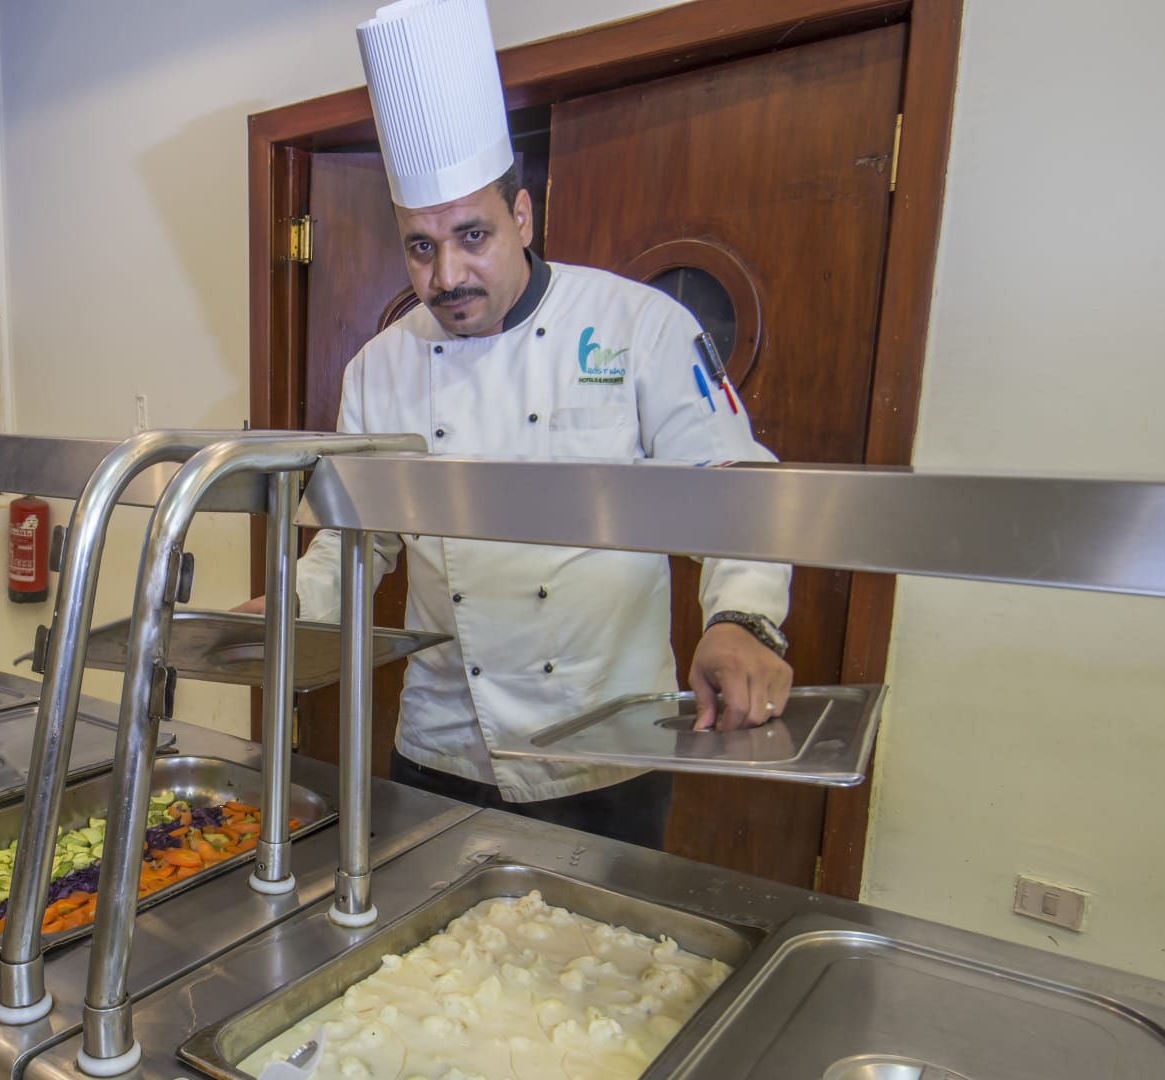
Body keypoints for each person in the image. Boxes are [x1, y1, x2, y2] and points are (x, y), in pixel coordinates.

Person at [247, 0, 794, 850]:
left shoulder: (639, 326)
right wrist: (284, 610)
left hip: (607, 746)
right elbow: (359, 542)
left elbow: (736, 487)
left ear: (524, 216)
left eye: (473, 235)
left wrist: (742, 620)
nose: (447, 274)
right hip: (441, 741)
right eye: (421, 246)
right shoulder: (378, 369)